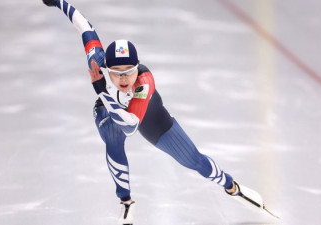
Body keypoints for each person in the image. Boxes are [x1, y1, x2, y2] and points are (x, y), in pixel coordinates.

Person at [42, 0, 271, 224]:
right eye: (116, 72)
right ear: (106, 68)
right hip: (109, 111)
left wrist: (102, 89)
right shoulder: (97, 62)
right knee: (112, 133)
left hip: (149, 116)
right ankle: (126, 202)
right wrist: (58, 2)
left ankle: (232, 187)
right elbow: (83, 26)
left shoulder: (144, 81)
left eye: (129, 71)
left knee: (195, 161)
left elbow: (131, 126)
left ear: (137, 67)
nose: (123, 78)